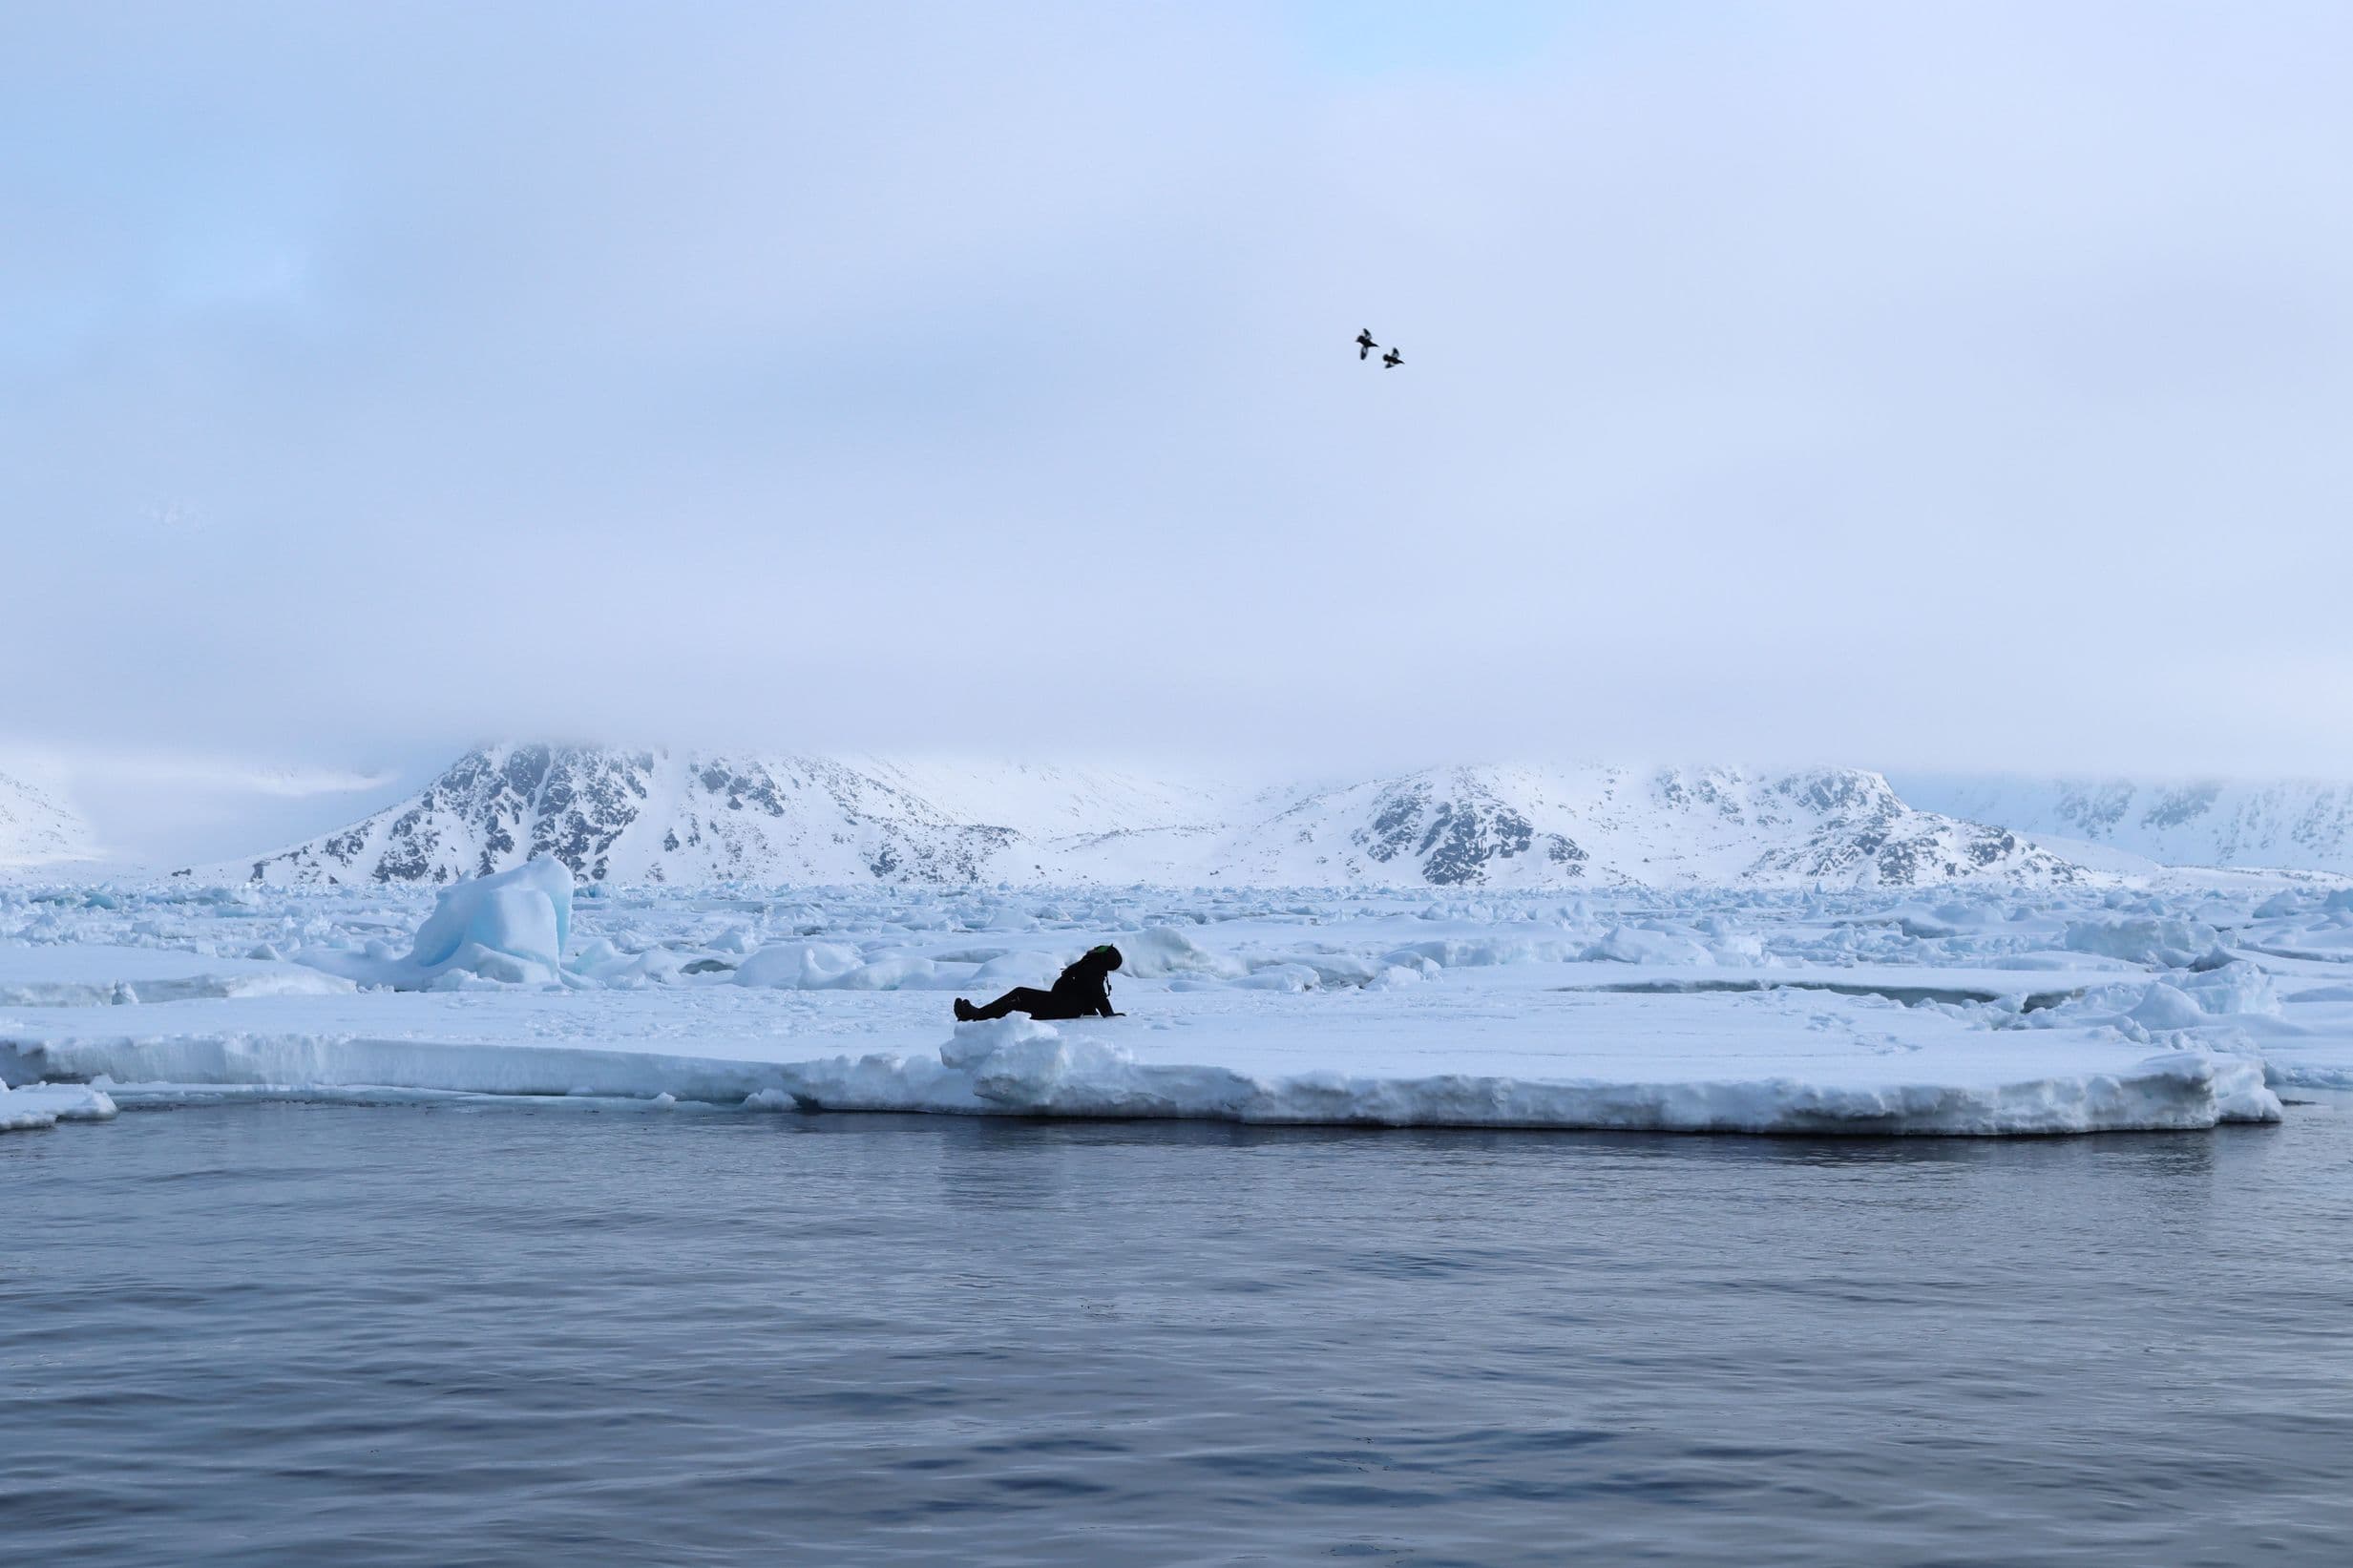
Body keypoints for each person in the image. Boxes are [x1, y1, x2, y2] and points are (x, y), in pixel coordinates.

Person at [955, 945, 1124, 1022]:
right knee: (1019, 999)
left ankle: (977, 1016)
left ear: (1103, 957)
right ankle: (979, 1015)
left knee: (1019, 995)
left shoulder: (1092, 968)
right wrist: (1090, 1010)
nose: (1097, 947)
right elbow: (1090, 992)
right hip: (1061, 1003)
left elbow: (1097, 993)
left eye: (1102, 949)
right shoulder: (1091, 966)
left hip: (1062, 1007)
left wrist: (1108, 1013)